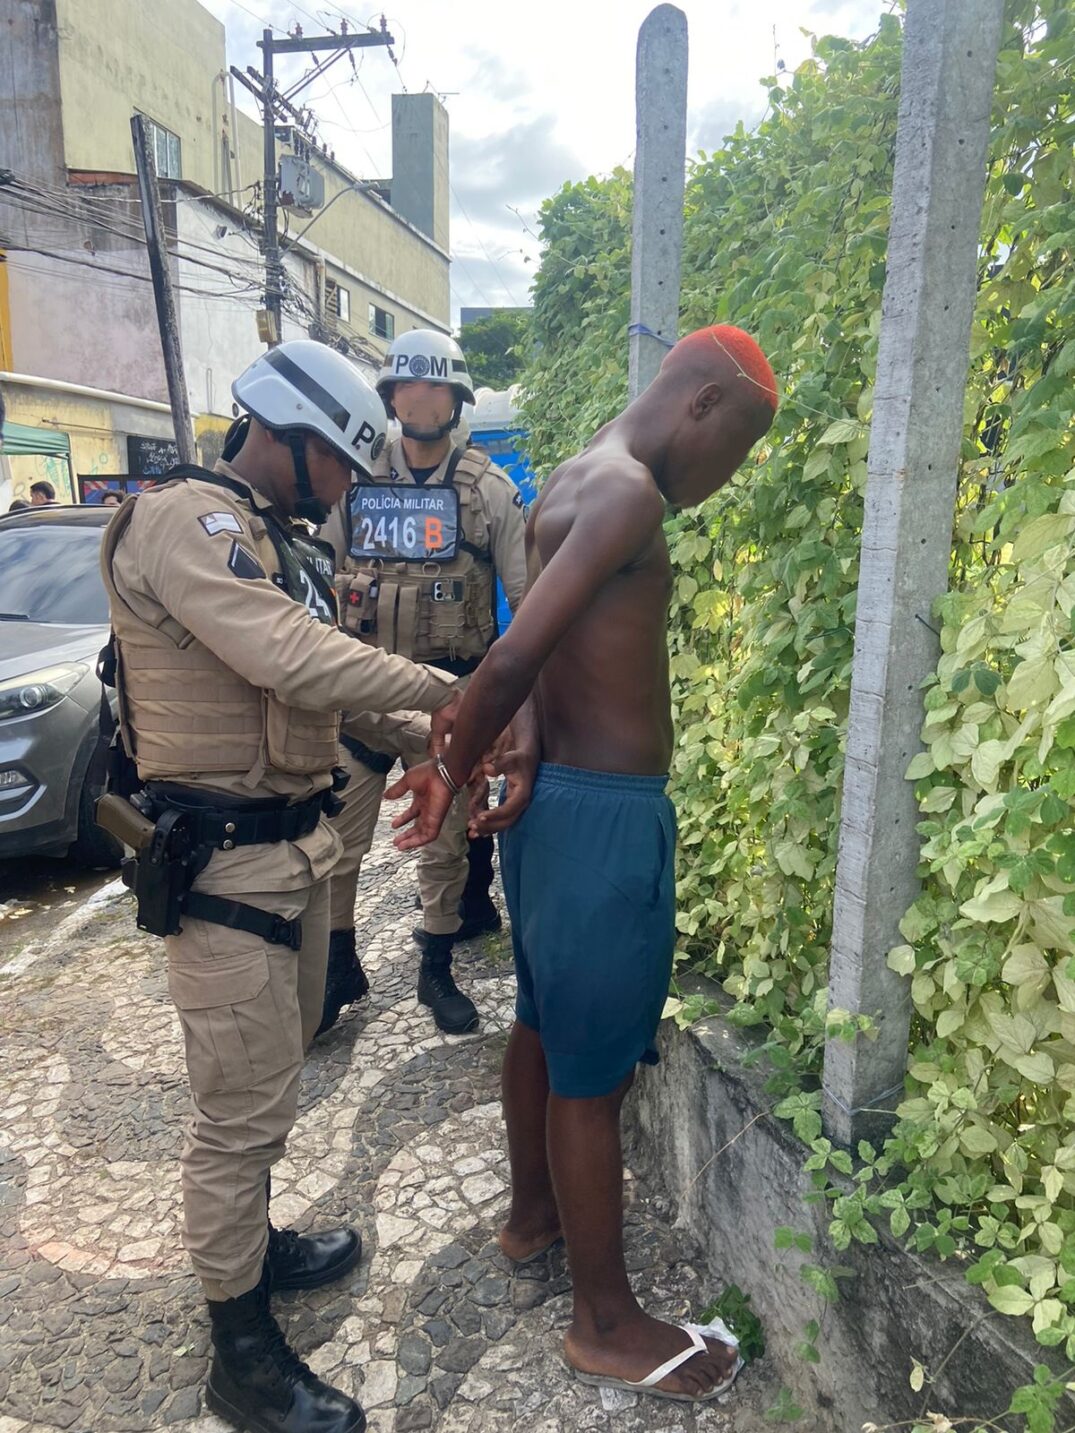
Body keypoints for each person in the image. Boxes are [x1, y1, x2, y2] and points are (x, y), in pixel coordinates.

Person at [389, 325, 778, 1402]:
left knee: (542, 1019)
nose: (726, 473)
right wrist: (451, 767)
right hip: (604, 821)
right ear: (703, 403)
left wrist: (515, 747)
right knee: (592, 1077)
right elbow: (515, 653)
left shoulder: (570, 476)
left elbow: (542, 644)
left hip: (555, 802)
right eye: (739, 445)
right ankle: (605, 1322)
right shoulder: (630, 495)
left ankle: (533, 1216)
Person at [99, 339, 460, 1433]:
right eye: (340, 462)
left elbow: (320, 695)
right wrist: (448, 692)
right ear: (287, 437)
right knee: (237, 1115)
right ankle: (240, 1352)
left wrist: (428, 737)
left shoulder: (269, 538)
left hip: (292, 852)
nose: (346, 485)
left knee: (273, 1078)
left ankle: (253, 1247)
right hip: (223, 865)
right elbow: (292, 659)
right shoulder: (184, 522)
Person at [319, 328, 526, 1037]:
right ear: (390, 397)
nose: (422, 400)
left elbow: (526, 603)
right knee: (334, 843)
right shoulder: (350, 482)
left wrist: (506, 710)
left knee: (444, 851)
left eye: (436, 387)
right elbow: (317, 578)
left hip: (449, 707)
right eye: (409, 386)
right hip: (359, 702)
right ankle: (337, 965)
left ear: (457, 398)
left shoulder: (488, 490)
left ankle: (435, 966)